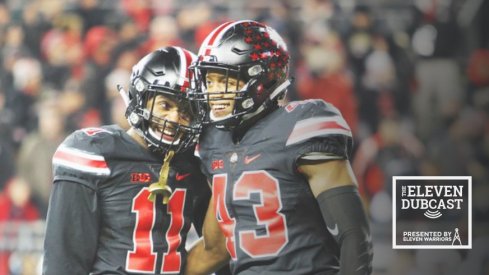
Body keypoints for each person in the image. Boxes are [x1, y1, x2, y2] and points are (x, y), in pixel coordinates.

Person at [185, 20, 373, 274]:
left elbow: (353, 235)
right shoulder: (213, 141)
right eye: (210, 81)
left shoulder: (301, 126)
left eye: (225, 80)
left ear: (261, 78)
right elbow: (215, 249)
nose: (213, 91)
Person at [43, 46, 211, 275]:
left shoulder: (194, 163)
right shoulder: (96, 152)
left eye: (186, 111)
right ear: (141, 98)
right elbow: (65, 262)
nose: (174, 118)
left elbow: (218, 245)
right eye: (165, 105)